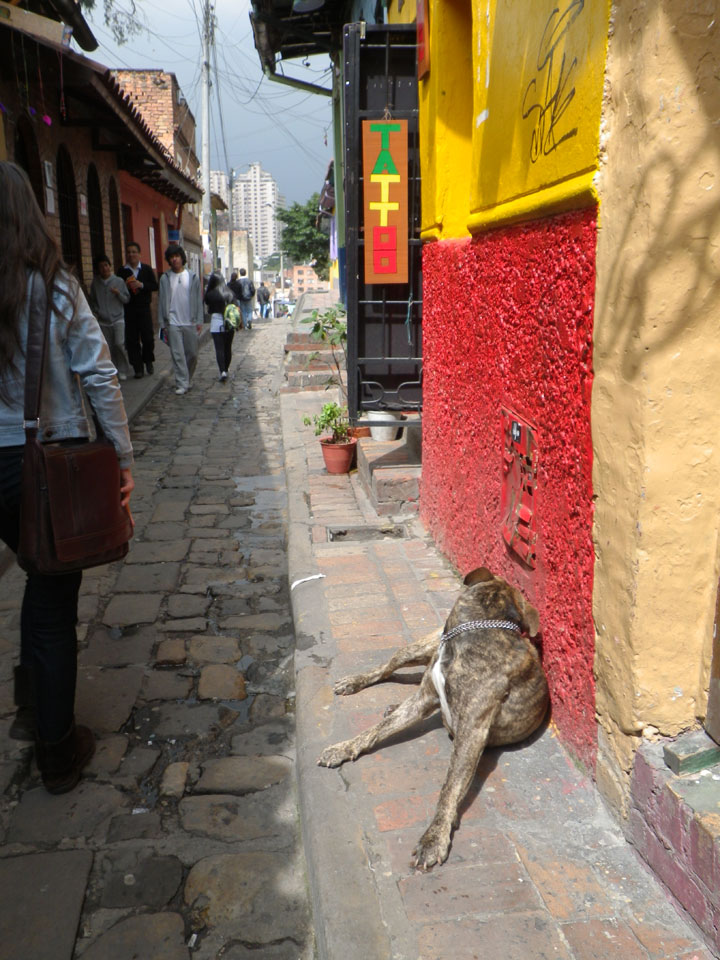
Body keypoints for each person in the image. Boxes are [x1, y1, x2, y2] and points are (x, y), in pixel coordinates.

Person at [0, 161, 134, 794]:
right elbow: (100, 372)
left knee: (36, 576)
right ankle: (57, 750)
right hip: (41, 463)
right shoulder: (54, 286)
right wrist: (122, 458)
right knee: (53, 597)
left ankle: (31, 709)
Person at [158, 243, 204, 395]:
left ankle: (187, 378)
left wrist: (199, 320)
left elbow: (198, 299)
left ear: (182, 258)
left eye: (177, 256)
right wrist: (162, 323)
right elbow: (161, 301)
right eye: (171, 257)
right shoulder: (165, 278)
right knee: (177, 354)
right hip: (172, 322)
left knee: (192, 354)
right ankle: (182, 383)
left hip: (190, 320)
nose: (174, 259)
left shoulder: (192, 277)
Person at [117, 241, 158, 379]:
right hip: (129, 309)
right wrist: (125, 286)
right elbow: (118, 288)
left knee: (148, 338)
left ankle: (148, 360)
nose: (131, 254)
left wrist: (141, 285)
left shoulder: (146, 269)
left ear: (139, 254)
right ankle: (137, 367)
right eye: (129, 252)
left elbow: (154, 286)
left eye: (134, 252)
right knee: (132, 339)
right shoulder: (122, 271)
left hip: (144, 308)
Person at [88, 254, 131, 381]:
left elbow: (126, 299)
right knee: (108, 347)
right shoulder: (95, 283)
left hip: (118, 318)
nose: (104, 269)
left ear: (110, 266)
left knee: (119, 344)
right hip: (103, 320)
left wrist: (118, 294)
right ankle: (113, 369)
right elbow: (92, 300)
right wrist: (97, 311)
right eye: (101, 267)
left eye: (106, 265)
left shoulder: (118, 281)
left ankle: (123, 369)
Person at [204, 272, 235, 382]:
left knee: (219, 348)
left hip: (216, 321)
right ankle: (226, 369)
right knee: (228, 347)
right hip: (229, 322)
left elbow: (207, 303)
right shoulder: (229, 292)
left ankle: (222, 371)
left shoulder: (210, 294)